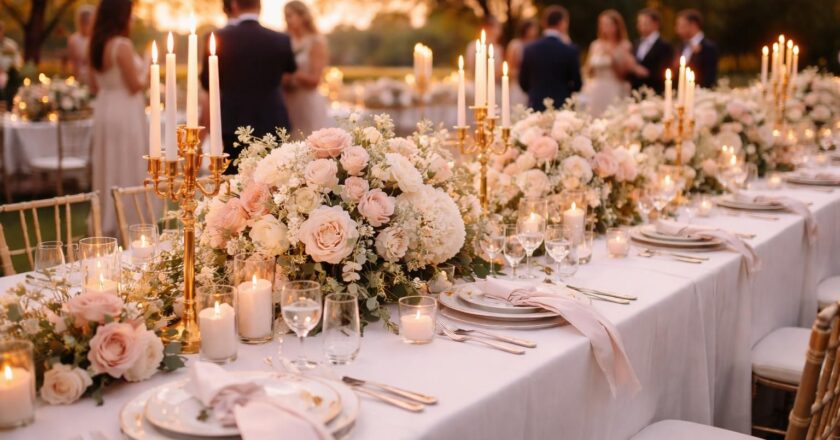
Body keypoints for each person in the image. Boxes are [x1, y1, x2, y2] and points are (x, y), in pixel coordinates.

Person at [200, 0, 297, 171]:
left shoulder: (216, 38)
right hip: (272, 120)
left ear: (235, 5)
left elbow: (207, 82)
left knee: (234, 184)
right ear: (260, 7)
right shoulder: (281, 39)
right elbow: (290, 70)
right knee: (277, 183)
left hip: (233, 123)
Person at [89, 0, 149, 234]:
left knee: (108, 163)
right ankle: (129, 219)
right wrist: (146, 65)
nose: (132, 20)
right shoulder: (122, 45)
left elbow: (94, 85)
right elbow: (135, 85)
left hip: (104, 107)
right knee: (128, 161)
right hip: (125, 109)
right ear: (121, 16)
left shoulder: (96, 45)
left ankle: (106, 217)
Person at [579, 10, 645, 116]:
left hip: (614, 88)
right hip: (596, 90)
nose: (604, 27)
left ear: (616, 26)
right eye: (602, 24)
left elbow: (622, 74)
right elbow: (588, 70)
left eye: (607, 24)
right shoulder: (595, 45)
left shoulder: (624, 45)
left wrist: (612, 55)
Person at [282, 0, 332, 139]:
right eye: (285, 16)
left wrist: (293, 75)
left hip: (307, 101)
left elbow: (315, 79)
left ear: (303, 16)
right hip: (287, 102)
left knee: (309, 140)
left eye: (290, 15)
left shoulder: (316, 42)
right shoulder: (284, 40)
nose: (287, 20)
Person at [519, 6, 582, 111]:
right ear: (562, 22)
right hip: (562, 107)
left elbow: (523, 83)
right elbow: (577, 84)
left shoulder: (529, 49)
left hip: (536, 105)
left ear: (544, 23)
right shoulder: (569, 50)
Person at [630, 8, 672, 94]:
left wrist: (646, 73)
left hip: (655, 92)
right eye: (639, 23)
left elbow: (665, 71)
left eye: (645, 23)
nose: (641, 26)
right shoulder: (636, 43)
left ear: (656, 24)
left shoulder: (664, 46)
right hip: (635, 92)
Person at [675, 9, 718, 89]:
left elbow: (709, 77)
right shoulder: (680, 46)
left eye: (681, 26)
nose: (677, 29)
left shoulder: (708, 47)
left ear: (693, 25)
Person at [505, 19, 539, 107]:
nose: (535, 31)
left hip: (532, 84)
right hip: (517, 83)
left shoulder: (535, 45)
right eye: (533, 28)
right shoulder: (515, 44)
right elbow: (510, 65)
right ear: (526, 29)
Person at [67, 5, 95, 85]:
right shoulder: (74, 39)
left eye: (88, 22)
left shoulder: (95, 39)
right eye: (84, 21)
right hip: (80, 74)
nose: (86, 24)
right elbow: (73, 61)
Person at [0, 21, 23, 108]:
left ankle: (9, 107)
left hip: (9, 75)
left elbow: (18, 62)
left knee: (15, 78)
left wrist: (9, 69)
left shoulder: (11, 45)